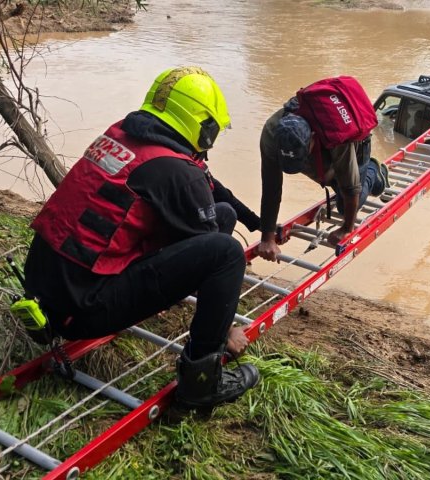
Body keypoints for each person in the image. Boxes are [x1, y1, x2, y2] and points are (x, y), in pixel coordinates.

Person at [23, 66, 260, 409]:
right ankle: (201, 382)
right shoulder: (177, 171)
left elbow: (207, 207)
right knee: (226, 253)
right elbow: (210, 246)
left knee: (222, 215)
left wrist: (249, 219)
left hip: (46, 288)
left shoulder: (121, 135)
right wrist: (226, 331)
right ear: (203, 127)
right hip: (81, 308)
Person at [255, 98, 389, 262]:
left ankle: (373, 170)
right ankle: (346, 177)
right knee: (334, 183)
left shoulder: (336, 134)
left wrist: (346, 228)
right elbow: (271, 188)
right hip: (322, 156)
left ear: (312, 137)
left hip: (354, 147)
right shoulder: (270, 134)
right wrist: (267, 238)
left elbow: (351, 187)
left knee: (344, 205)